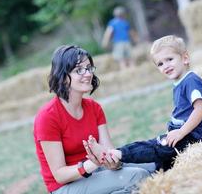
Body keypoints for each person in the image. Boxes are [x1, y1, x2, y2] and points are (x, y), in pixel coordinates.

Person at [33, 45, 155, 194]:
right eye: (79, 70)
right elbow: (60, 175)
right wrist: (91, 164)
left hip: (96, 171)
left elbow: (109, 152)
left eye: (89, 68)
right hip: (66, 186)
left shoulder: (94, 107)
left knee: (153, 166)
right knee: (138, 176)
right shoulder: (48, 116)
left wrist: (112, 161)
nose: (88, 74)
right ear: (63, 77)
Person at [85, 35, 202, 171]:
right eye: (160, 64)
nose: (166, 66)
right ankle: (120, 156)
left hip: (192, 136)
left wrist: (180, 132)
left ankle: (117, 154)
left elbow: (201, 109)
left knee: (155, 148)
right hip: (182, 133)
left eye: (169, 59)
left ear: (185, 58)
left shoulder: (191, 81)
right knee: (159, 155)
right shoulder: (180, 82)